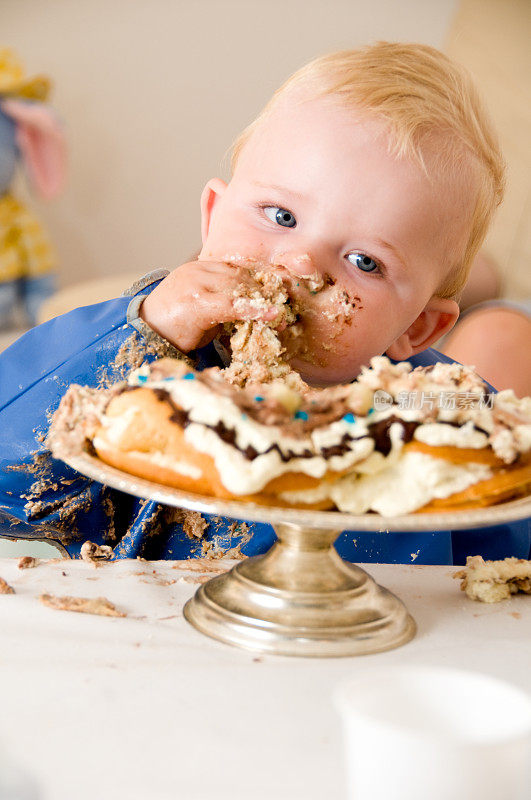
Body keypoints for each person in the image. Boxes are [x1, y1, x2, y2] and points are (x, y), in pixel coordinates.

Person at [1, 43, 527, 565]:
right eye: (280, 215)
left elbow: (509, 569)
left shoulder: (439, 415)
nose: (299, 264)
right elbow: (10, 482)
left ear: (419, 326)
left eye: (364, 261)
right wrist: (142, 333)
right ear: (213, 216)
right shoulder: (145, 374)